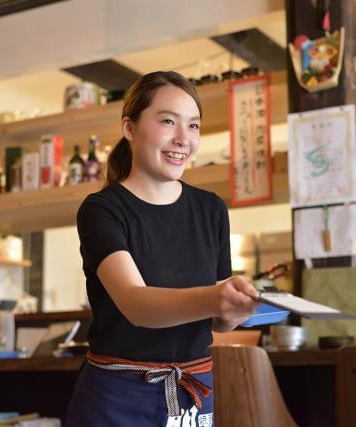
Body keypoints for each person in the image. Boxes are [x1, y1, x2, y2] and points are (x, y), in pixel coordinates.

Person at [66, 70, 259, 426]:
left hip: (192, 392)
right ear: (130, 128)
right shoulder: (102, 210)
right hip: (117, 395)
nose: (183, 138)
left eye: (194, 126)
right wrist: (217, 297)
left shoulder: (211, 209)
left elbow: (219, 322)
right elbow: (136, 304)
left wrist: (235, 309)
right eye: (168, 121)